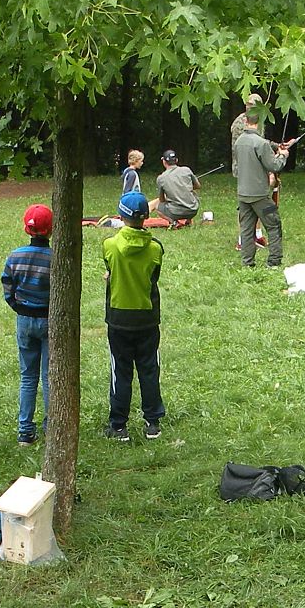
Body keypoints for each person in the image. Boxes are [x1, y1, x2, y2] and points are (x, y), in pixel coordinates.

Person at [102, 189, 164, 442]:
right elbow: (153, 277)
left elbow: (110, 268)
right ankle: (153, 423)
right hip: (147, 317)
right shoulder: (156, 248)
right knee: (149, 369)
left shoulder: (109, 245)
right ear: (146, 217)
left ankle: (118, 426)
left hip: (119, 318)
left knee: (120, 371)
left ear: (121, 216)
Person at [1, 204, 53, 446]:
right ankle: (51, 427)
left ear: (27, 229)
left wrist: (18, 307)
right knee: (49, 376)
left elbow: (8, 287)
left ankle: (25, 431)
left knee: (28, 376)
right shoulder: (54, 258)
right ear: (51, 229)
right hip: (50, 320)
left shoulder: (16, 256)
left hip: (24, 320)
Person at [233, 117, 292, 269]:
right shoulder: (261, 143)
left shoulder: (239, 141)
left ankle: (247, 263)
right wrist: (283, 155)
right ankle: (274, 261)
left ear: (246, 121)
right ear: (259, 124)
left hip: (243, 194)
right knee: (273, 225)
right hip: (260, 196)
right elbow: (274, 165)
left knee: (246, 230)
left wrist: (277, 147)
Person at [154, 150, 200, 226]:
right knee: (194, 194)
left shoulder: (161, 178)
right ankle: (188, 220)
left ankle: (174, 223)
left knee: (158, 207)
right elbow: (198, 186)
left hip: (175, 213)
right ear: (176, 160)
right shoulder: (186, 170)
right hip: (193, 210)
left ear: (164, 162)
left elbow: (161, 200)